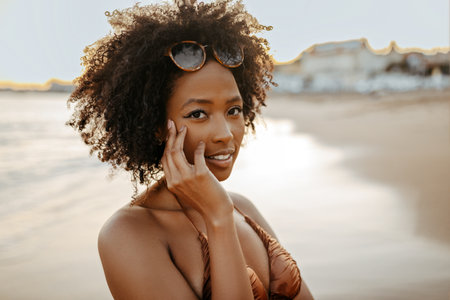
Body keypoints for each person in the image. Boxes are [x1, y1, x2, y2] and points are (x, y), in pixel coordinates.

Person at [67, 0, 314, 299]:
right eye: (198, 114)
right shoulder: (128, 234)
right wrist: (218, 218)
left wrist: (223, 210)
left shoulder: (243, 208)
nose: (225, 134)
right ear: (156, 125)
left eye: (234, 110)